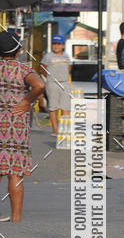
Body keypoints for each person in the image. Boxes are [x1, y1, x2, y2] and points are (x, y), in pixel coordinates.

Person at [0, 31, 44, 222]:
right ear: (18, 50)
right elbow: (39, 85)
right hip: (16, 126)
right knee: (15, 172)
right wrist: (26, 101)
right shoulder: (22, 69)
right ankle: (16, 218)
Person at [40, 34, 71, 136]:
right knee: (53, 107)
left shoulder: (66, 55)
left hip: (65, 83)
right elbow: (42, 69)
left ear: (63, 45)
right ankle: (55, 130)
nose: (56, 46)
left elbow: (69, 68)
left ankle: (65, 130)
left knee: (65, 107)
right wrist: (51, 77)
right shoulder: (48, 56)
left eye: (59, 44)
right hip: (52, 84)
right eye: (54, 44)